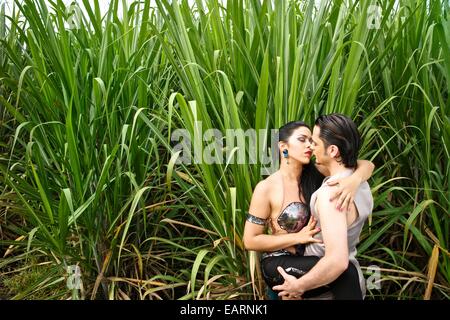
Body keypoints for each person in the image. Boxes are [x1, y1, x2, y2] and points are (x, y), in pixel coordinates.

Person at [243, 119, 374, 300]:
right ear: (283, 147)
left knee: (341, 268)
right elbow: (250, 240)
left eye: (312, 141)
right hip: (279, 262)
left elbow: (363, 164)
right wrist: (297, 237)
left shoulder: (318, 172)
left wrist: (355, 180)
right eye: (303, 139)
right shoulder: (266, 188)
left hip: (309, 259)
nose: (310, 145)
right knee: (345, 270)